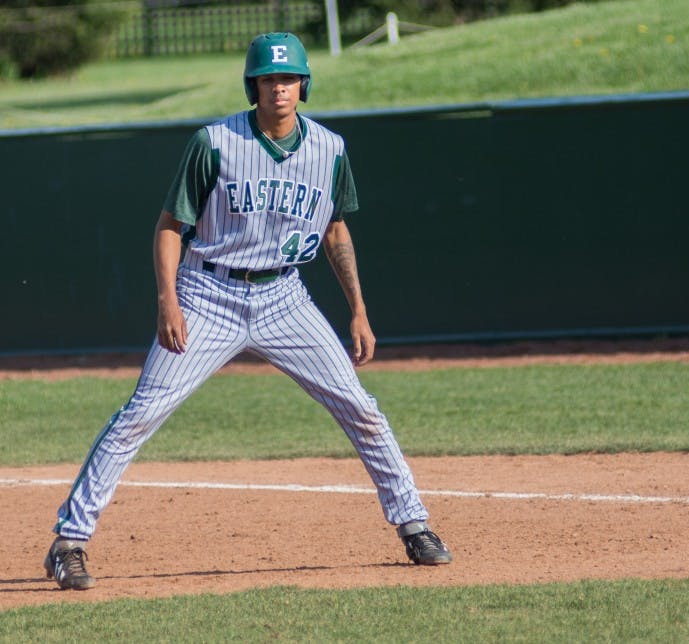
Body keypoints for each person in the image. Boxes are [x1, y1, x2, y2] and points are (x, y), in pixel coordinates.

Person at [43, 32, 452, 591]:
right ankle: (69, 541)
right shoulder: (214, 142)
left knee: (360, 407)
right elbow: (170, 227)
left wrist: (358, 308)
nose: (278, 88)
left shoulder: (330, 150)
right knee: (141, 412)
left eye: (287, 78)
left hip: (285, 297)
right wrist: (169, 300)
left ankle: (414, 524)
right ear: (252, 85)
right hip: (208, 294)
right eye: (267, 79)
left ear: (303, 85)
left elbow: (335, 228)